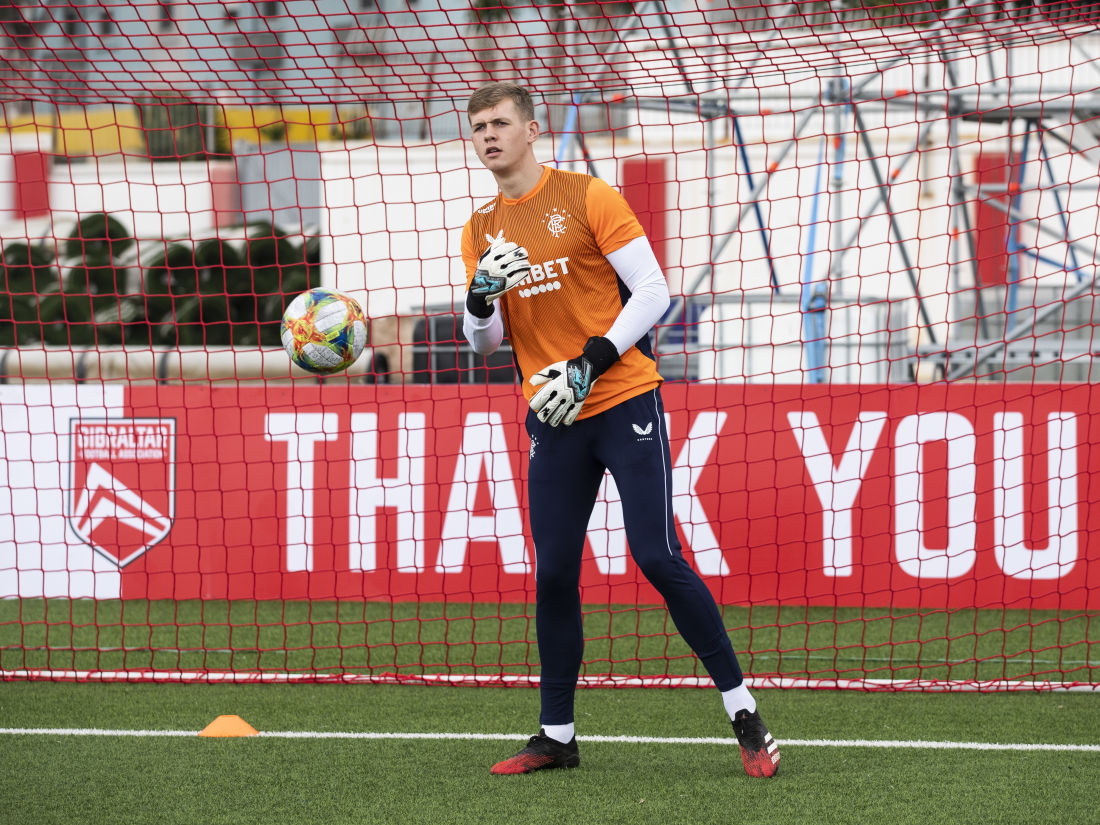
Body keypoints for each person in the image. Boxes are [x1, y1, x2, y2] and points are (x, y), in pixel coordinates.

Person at [459, 81, 780, 779]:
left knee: (656, 554)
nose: (488, 134)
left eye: (500, 122)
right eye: (478, 125)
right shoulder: (480, 227)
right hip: (555, 418)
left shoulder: (587, 196)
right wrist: (479, 296)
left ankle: (744, 713)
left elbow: (656, 292)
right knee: (552, 575)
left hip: (622, 397)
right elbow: (484, 341)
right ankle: (556, 735)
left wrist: (590, 362)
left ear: (533, 128)